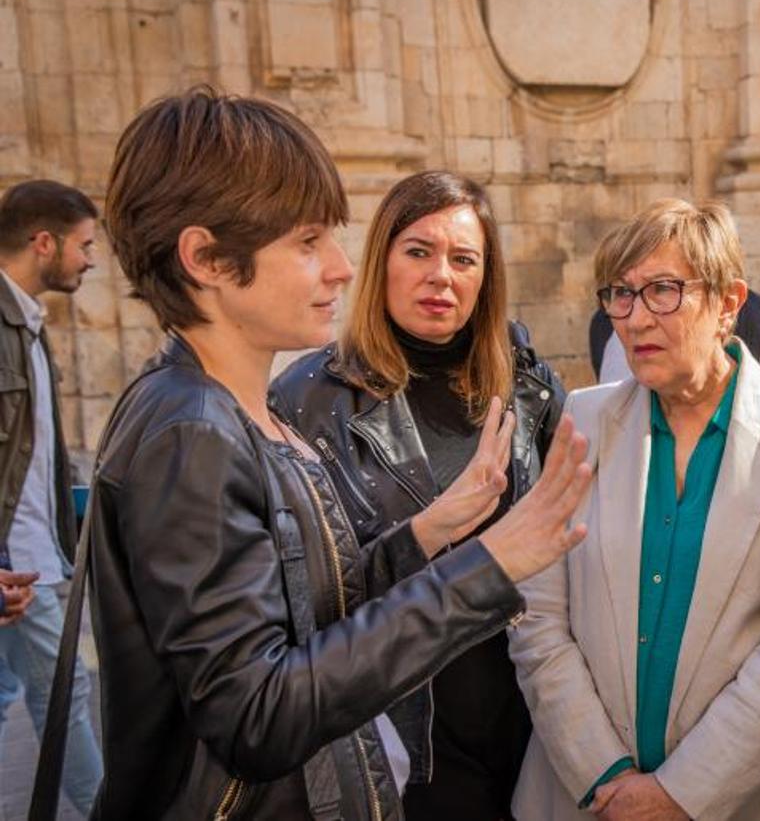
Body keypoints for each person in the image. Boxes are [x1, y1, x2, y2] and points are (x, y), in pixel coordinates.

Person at [79, 86, 593, 819]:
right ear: (207, 259)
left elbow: (313, 611)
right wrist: (490, 566)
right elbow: (259, 715)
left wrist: (428, 532)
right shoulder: (190, 429)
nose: (341, 268)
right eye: (307, 241)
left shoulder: (232, 409)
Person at [508, 199, 760, 820]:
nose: (633, 319)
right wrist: (608, 775)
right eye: (619, 295)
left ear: (728, 303)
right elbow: (538, 617)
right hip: (585, 794)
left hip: (751, 798)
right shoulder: (584, 419)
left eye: (662, 291)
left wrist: (678, 795)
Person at [270, 170, 565, 820]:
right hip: (402, 731)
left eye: (464, 259)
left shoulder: (527, 386)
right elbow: (301, 603)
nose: (442, 276)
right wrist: (429, 527)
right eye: (419, 251)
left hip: (531, 717)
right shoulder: (307, 398)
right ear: (383, 260)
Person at [0, 180, 103, 814]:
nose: (90, 259)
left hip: (31, 555)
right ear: (45, 243)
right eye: (84, 244)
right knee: (64, 695)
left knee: (15, 688)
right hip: (17, 562)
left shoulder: (28, 326)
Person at [587, 289, 760, 385]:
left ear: (726, 305)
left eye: (663, 289)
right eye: (623, 291)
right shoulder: (591, 414)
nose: (637, 321)